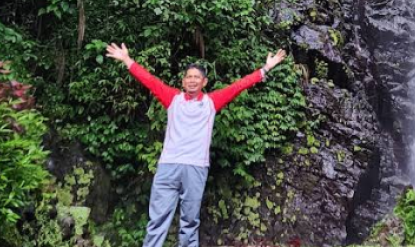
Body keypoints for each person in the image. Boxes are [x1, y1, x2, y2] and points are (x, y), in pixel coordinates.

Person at [105, 42, 287, 247]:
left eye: (196, 77)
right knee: (157, 220)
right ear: (183, 81)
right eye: (189, 77)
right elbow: (150, 80)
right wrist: (127, 60)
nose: (192, 80)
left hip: (196, 167)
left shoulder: (212, 102)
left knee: (190, 221)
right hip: (168, 166)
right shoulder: (172, 98)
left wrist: (266, 68)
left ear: (204, 81)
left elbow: (238, 86)